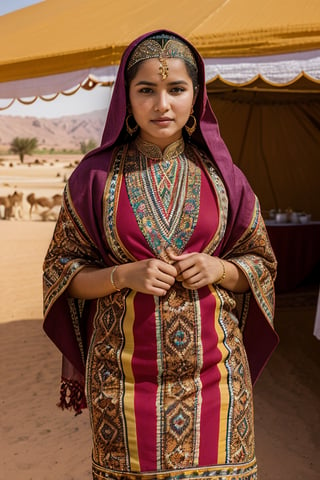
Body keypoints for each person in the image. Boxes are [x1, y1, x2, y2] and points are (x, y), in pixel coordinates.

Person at [43, 29, 278, 480]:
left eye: (176, 89)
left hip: (218, 378)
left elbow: (261, 265)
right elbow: (61, 269)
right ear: (126, 99)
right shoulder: (92, 178)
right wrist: (122, 275)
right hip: (123, 383)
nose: (162, 105)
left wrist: (221, 268)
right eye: (146, 90)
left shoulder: (226, 178)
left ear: (197, 96)